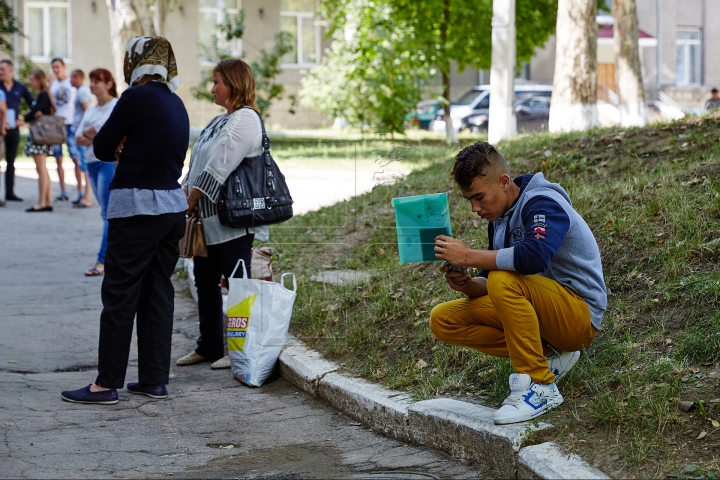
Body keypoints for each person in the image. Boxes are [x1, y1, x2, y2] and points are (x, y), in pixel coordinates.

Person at [430, 142, 606, 425]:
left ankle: (541, 385)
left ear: (503, 182)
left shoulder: (543, 202)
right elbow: (491, 284)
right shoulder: (499, 219)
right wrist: (465, 283)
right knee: (443, 319)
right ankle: (550, 355)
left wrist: (468, 255)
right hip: (540, 311)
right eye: (469, 200)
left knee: (504, 278)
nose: (475, 208)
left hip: (578, 316)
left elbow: (533, 258)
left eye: (479, 197)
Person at [60, 36, 189, 404]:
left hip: (136, 208)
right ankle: (154, 379)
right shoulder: (176, 102)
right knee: (158, 293)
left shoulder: (135, 97)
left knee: (120, 294)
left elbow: (101, 147)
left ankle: (106, 384)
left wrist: (122, 142)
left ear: (137, 61)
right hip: (171, 208)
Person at [176, 59, 268, 370]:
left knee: (238, 286)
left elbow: (221, 164)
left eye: (218, 82)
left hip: (234, 221)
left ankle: (240, 347)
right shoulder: (219, 121)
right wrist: (184, 190)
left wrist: (190, 198)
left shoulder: (246, 119)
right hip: (208, 221)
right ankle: (210, 345)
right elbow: (199, 161)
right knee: (204, 282)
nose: (213, 88)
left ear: (235, 84)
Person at [75, 69, 119, 276]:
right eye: (91, 82)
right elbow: (78, 137)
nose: (92, 85)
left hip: (107, 163)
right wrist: (96, 133)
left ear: (109, 83)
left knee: (107, 213)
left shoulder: (116, 106)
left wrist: (93, 133)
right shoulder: (91, 110)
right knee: (107, 212)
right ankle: (113, 256)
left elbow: (109, 132)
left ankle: (103, 261)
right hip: (91, 162)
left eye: (97, 82)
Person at [0, 60, 35, 203]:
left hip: (13, 129)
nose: (0, 72)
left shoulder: (20, 87)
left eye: (2, 69)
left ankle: (10, 192)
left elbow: (33, 104)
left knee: (11, 162)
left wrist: (24, 120)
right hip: (0, 129)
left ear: (10, 70)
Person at [21, 70, 55, 212]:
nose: (30, 81)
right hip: (42, 136)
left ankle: (42, 202)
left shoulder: (42, 95)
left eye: (32, 79)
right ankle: (46, 201)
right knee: (43, 169)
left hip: (39, 136)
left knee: (41, 169)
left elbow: (32, 114)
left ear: (39, 80)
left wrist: (28, 117)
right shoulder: (44, 94)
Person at [49, 58, 79, 202]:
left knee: (75, 158)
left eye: (58, 67)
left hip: (70, 123)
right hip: (56, 124)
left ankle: (80, 190)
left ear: (64, 67)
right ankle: (63, 191)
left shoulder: (71, 83)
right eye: (53, 67)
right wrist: (49, 86)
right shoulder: (52, 84)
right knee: (58, 159)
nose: (56, 70)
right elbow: (48, 103)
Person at [70, 69, 93, 208]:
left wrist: (84, 133)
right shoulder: (81, 91)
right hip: (79, 133)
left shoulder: (82, 92)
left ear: (78, 78)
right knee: (82, 164)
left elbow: (87, 112)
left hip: (81, 134)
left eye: (71, 78)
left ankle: (87, 197)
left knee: (84, 165)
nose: (69, 81)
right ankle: (85, 195)